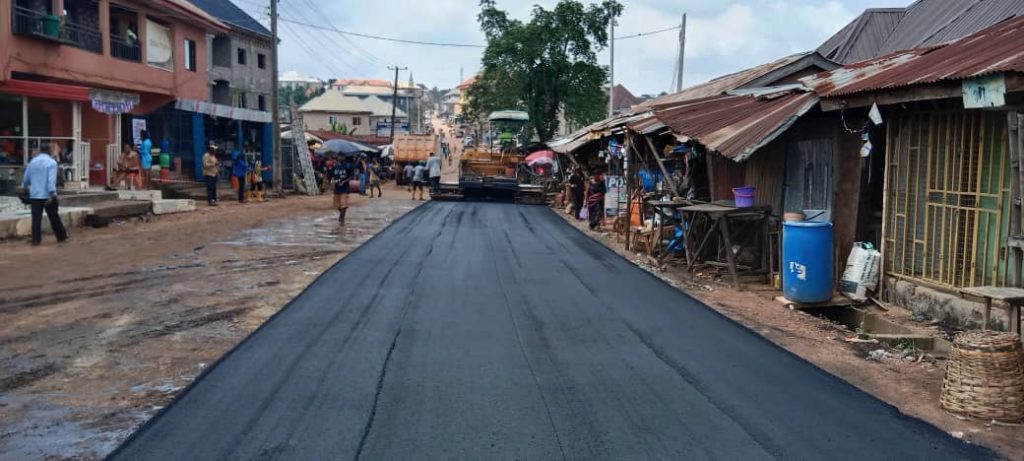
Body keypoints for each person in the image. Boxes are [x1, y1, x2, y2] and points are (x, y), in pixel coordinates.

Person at [21, 147, 68, 246]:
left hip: (35, 195)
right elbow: (51, 180)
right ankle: (61, 236)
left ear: (40, 151)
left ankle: (36, 240)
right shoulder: (52, 162)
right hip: (47, 195)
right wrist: (52, 194)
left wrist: (24, 187)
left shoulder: (32, 162)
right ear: (50, 152)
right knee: (54, 216)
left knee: (36, 218)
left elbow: (26, 179)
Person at [332, 154, 355, 224]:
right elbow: (332, 175)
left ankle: (342, 217)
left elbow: (351, 176)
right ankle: (341, 215)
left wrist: (344, 181)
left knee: (343, 204)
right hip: (337, 188)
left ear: (344, 157)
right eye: (339, 156)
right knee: (336, 205)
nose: (340, 157)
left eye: (341, 156)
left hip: (345, 188)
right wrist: (332, 180)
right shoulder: (335, 166)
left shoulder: (348, 166)